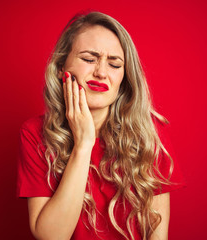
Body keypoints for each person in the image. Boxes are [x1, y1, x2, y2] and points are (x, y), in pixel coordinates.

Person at [17, 11, 185, 240]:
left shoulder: (149, 133)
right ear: (60, 67)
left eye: (114, 64)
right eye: (88, 59)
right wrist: (83, 144)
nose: (101, 72)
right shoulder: (35, 133)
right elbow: (52, 237)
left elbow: (157, 236)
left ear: (124, 79)